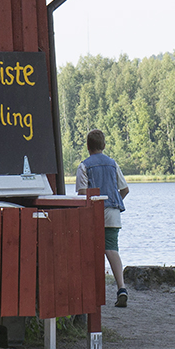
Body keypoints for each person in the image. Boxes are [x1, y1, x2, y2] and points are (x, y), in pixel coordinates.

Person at [75, 129, 130, 308]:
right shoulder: (113, 164)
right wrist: (114, 201)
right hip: (113, 212)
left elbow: (83, 193)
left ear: (88, 146)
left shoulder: (84, 166)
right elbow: (125, 189)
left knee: (90, 251)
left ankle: (91, 291)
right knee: (112, 249)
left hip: (93, 213)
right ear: (104, 145)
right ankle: (121, 287)